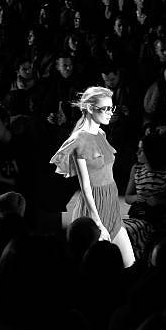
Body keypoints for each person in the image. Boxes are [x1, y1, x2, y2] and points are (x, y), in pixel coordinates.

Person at [50, 86, 135, 267]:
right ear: (89, 108)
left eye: (111, 108)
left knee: (128, 262)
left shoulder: (101, 133)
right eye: (104, 109)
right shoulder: (80, 139)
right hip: (93, 207)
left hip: (111, 201)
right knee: (93, 266)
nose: (109, 113)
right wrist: (97, 223)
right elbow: (85, 186)